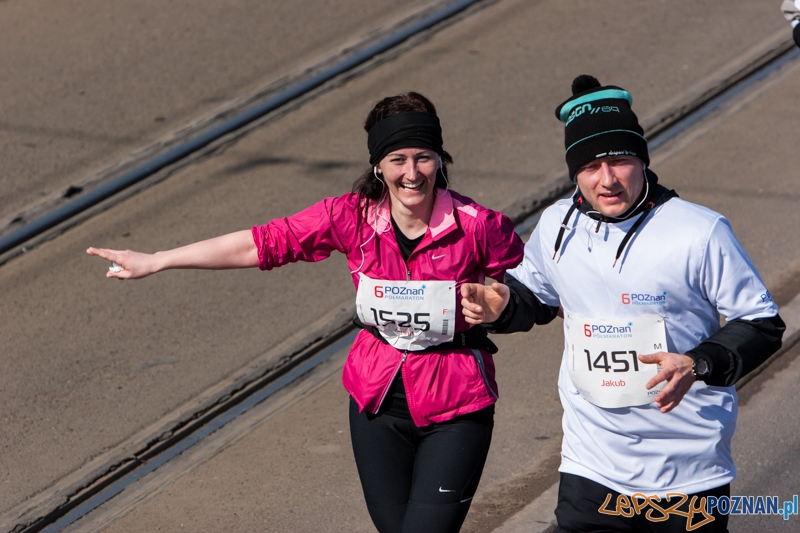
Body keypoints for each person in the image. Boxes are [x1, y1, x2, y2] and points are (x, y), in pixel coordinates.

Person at [87, 92, 524, 533]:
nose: (412, 174)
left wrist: (502, 308)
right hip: (375, 404)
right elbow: (260, 243)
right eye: (398, 160)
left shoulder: (479, 225)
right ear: (379, 166)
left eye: (424, 159)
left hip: (456, 407)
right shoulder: (350, 217)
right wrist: (159, 259)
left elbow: (539, 293)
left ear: (440, 161)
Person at [461, 76, 785, 533]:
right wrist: (500, 307)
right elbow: (533, 296)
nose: (607, 179)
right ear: (575, 172)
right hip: (591, 465)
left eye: (620, 161)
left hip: (686, 470)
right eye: (591, 165)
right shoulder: (556, 224)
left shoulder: (699, 231)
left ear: (642, 160)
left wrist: (697, 363)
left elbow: (762, 322)